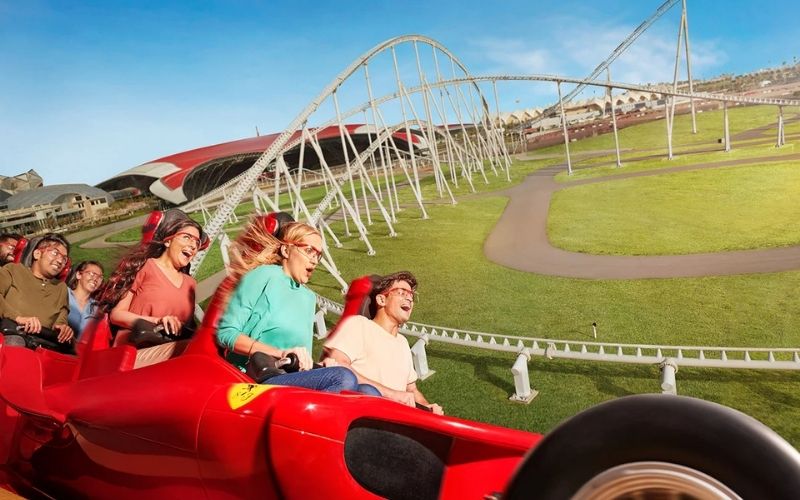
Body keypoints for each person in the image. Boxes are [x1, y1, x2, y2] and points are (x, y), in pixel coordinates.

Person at [216, 217, 362, 393]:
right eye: (309, 251)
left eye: (318, 255)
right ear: (286, 250)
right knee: (343, 378)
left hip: (287, 377)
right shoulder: (263, 276)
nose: (315, 261)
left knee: (367, 391)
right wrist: (280, 353)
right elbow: (226, 334)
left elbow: (302, 358)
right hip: (253, 379)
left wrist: (323, 366)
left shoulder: (308, 298)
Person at [323, 271, 443, 414]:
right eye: (402, 292)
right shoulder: (360, 326)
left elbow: (411, 389)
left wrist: (427, 407)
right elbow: (337, 366)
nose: (409, 299)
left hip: (396, 422)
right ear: (381, 300)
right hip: (360, 415)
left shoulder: (403, 343)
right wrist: (391, 395)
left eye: (411, 295)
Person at [96, 209, 202, 368]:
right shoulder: (146, 267)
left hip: (170, 353)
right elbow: (116, 315)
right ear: (168, 241)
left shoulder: (190, 284)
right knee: (193, 353)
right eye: (187, 237)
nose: (193, 245)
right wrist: (157, 321)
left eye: (197, 242)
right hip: (134, 353)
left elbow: (188, 328)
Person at [0, 233, 74, 348]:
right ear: (37, 254)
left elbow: (61, 318)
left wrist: (63, 328)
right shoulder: (13, 270)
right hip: (9, 337)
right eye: (55, 253)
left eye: (64, 259)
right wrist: (17, 318)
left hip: (43, 345)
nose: (60, 261)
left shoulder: (61, 288)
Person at [66, 260, 104, 340]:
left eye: (100, 277)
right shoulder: (64, 293)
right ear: (79, 275)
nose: (95, 279)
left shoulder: (98, 308)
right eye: (91, 274)